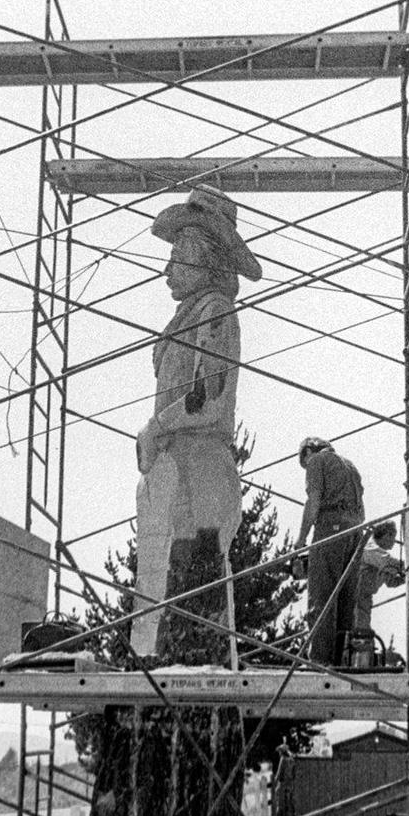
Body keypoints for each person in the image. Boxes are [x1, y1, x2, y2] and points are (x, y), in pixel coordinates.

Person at [131, 185, 261, 660]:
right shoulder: (189, 315)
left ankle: (187, 676)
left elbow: (205, 401)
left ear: (206, 260)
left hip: (199, 469)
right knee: (163, 591)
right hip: (177, 469)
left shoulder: (215, 311)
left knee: (193, 586)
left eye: (179, 257)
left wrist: (156, 427)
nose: (168, 269)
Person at [292, 437, 365, 666]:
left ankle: (320, 661)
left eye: (304, 462)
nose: (306, 467)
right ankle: (343, 659)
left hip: (331, 526)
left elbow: (313, 501)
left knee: (323, 594)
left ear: (308, 451)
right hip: (355, 530)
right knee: (345, 598)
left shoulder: (317, 461)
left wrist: (300, 541)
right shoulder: (350, 466)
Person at [354, 520, 405, 637]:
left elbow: (391, 582)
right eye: (393, 537)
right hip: (355, 597)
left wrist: (406, 576)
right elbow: (387, 562)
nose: (394, 541)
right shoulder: (370, 548)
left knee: (362, 634)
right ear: (387, 535)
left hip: (365, 598)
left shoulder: (378, 554)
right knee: (359, 634)